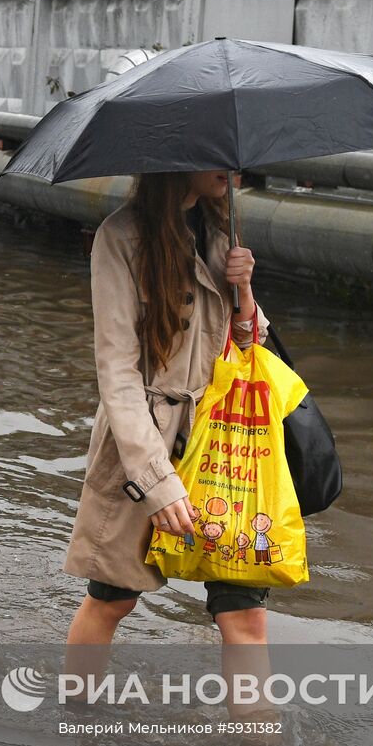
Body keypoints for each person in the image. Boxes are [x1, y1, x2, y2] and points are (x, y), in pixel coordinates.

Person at [64, 170, 270, 655]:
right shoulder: (121, 238)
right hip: (144, 440)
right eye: (214, 153)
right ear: (176, 154)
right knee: (112, 601)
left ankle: (260, 735)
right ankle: (76, 723)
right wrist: (155, 479)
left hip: (223, 443)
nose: (230, 166)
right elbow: (117, 371)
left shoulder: (223, 235)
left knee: (245, 615)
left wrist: (245, 292)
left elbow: (250, 344)